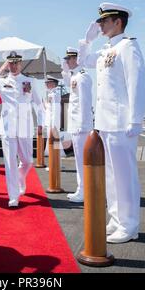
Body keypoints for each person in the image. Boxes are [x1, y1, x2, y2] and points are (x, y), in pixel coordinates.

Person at [78, 2, 145, 243]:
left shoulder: (128, 47)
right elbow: (83, 61)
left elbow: (138, 82)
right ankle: (117, 220)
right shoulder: (107, 50)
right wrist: (86, 41)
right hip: (105, 123)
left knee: (125, 176)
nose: (100, 25)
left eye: (104, 21)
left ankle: (129, 225)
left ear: (118, 22)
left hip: (121, 123)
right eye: (99, 22)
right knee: (110, 176)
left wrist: (136, 119)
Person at [0, 51, 43, 207]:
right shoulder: (1, 81)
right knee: (10, 163)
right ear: (7, 64)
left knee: (28, 161)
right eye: (11, 63)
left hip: (25, 126)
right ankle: (13, 196)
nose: (14, 66)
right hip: (8, 127)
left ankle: (21, 177)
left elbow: (38, 103)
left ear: (20, 64)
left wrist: (42, 122)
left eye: (16, 63)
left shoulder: (29, 81)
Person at [62, 47, 94, 203]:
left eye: (68, 59)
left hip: (81, 126)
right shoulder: (74, 76)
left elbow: (85, 102)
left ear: (75, 59)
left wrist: (82, 124)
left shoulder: (82, 77)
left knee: (82, 161)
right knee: (79, 160)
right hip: (76, 126)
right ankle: (82, 189)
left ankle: (84, 191)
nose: (66, 62)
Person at [43, 75, 66, 168]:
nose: (47, 85)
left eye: (48, 83)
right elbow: (49, 109)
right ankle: (56, 164)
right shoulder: (51, 94)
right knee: (53, 145)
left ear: (53, 84)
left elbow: (56, 111)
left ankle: (55, 165)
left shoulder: (54, 94)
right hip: (50, 123)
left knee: (54, 144)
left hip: (53, 124)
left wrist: (54, 126)